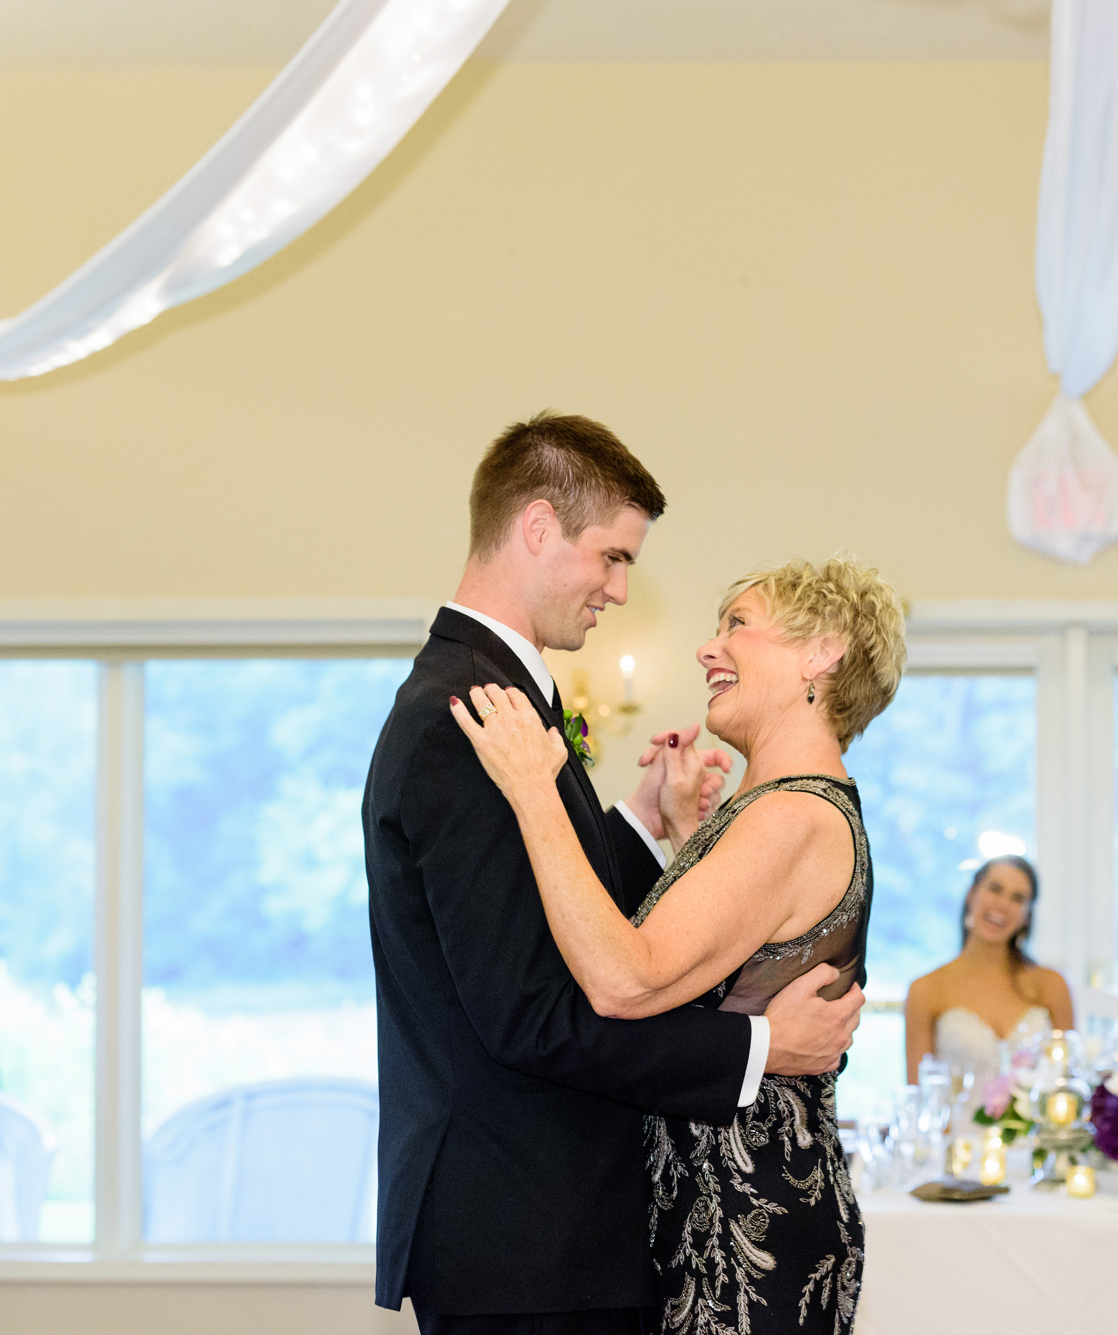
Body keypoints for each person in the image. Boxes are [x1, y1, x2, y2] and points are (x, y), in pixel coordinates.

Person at [363, 413, 864, 1335]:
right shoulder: (462, 720)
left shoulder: (495, 697)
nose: (621, 590)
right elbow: (531, 1014)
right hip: (525, 1234)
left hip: (553, 1231)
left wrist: (634, 828)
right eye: (612, 556)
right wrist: (758, 1051)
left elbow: (544, 912)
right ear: (540, 527)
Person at [455, 553, 905, 1334]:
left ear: (821, 651)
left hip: (749, 1232)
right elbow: (726, 970)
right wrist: (682, 829)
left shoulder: (792, 816)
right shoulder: (771, 808)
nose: (708, 648)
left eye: (738, 624)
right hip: (715, 1217)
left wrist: (535, 791)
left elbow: (625, 981)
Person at [902, 857, 1073, 1086]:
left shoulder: (1053, 985)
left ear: (1026, 916)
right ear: (972, 894)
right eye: (995, 889)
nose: (1002, 905)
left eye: (1017, 898)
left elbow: (1068, 1082)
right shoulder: (926, 990)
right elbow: (920, 1093)